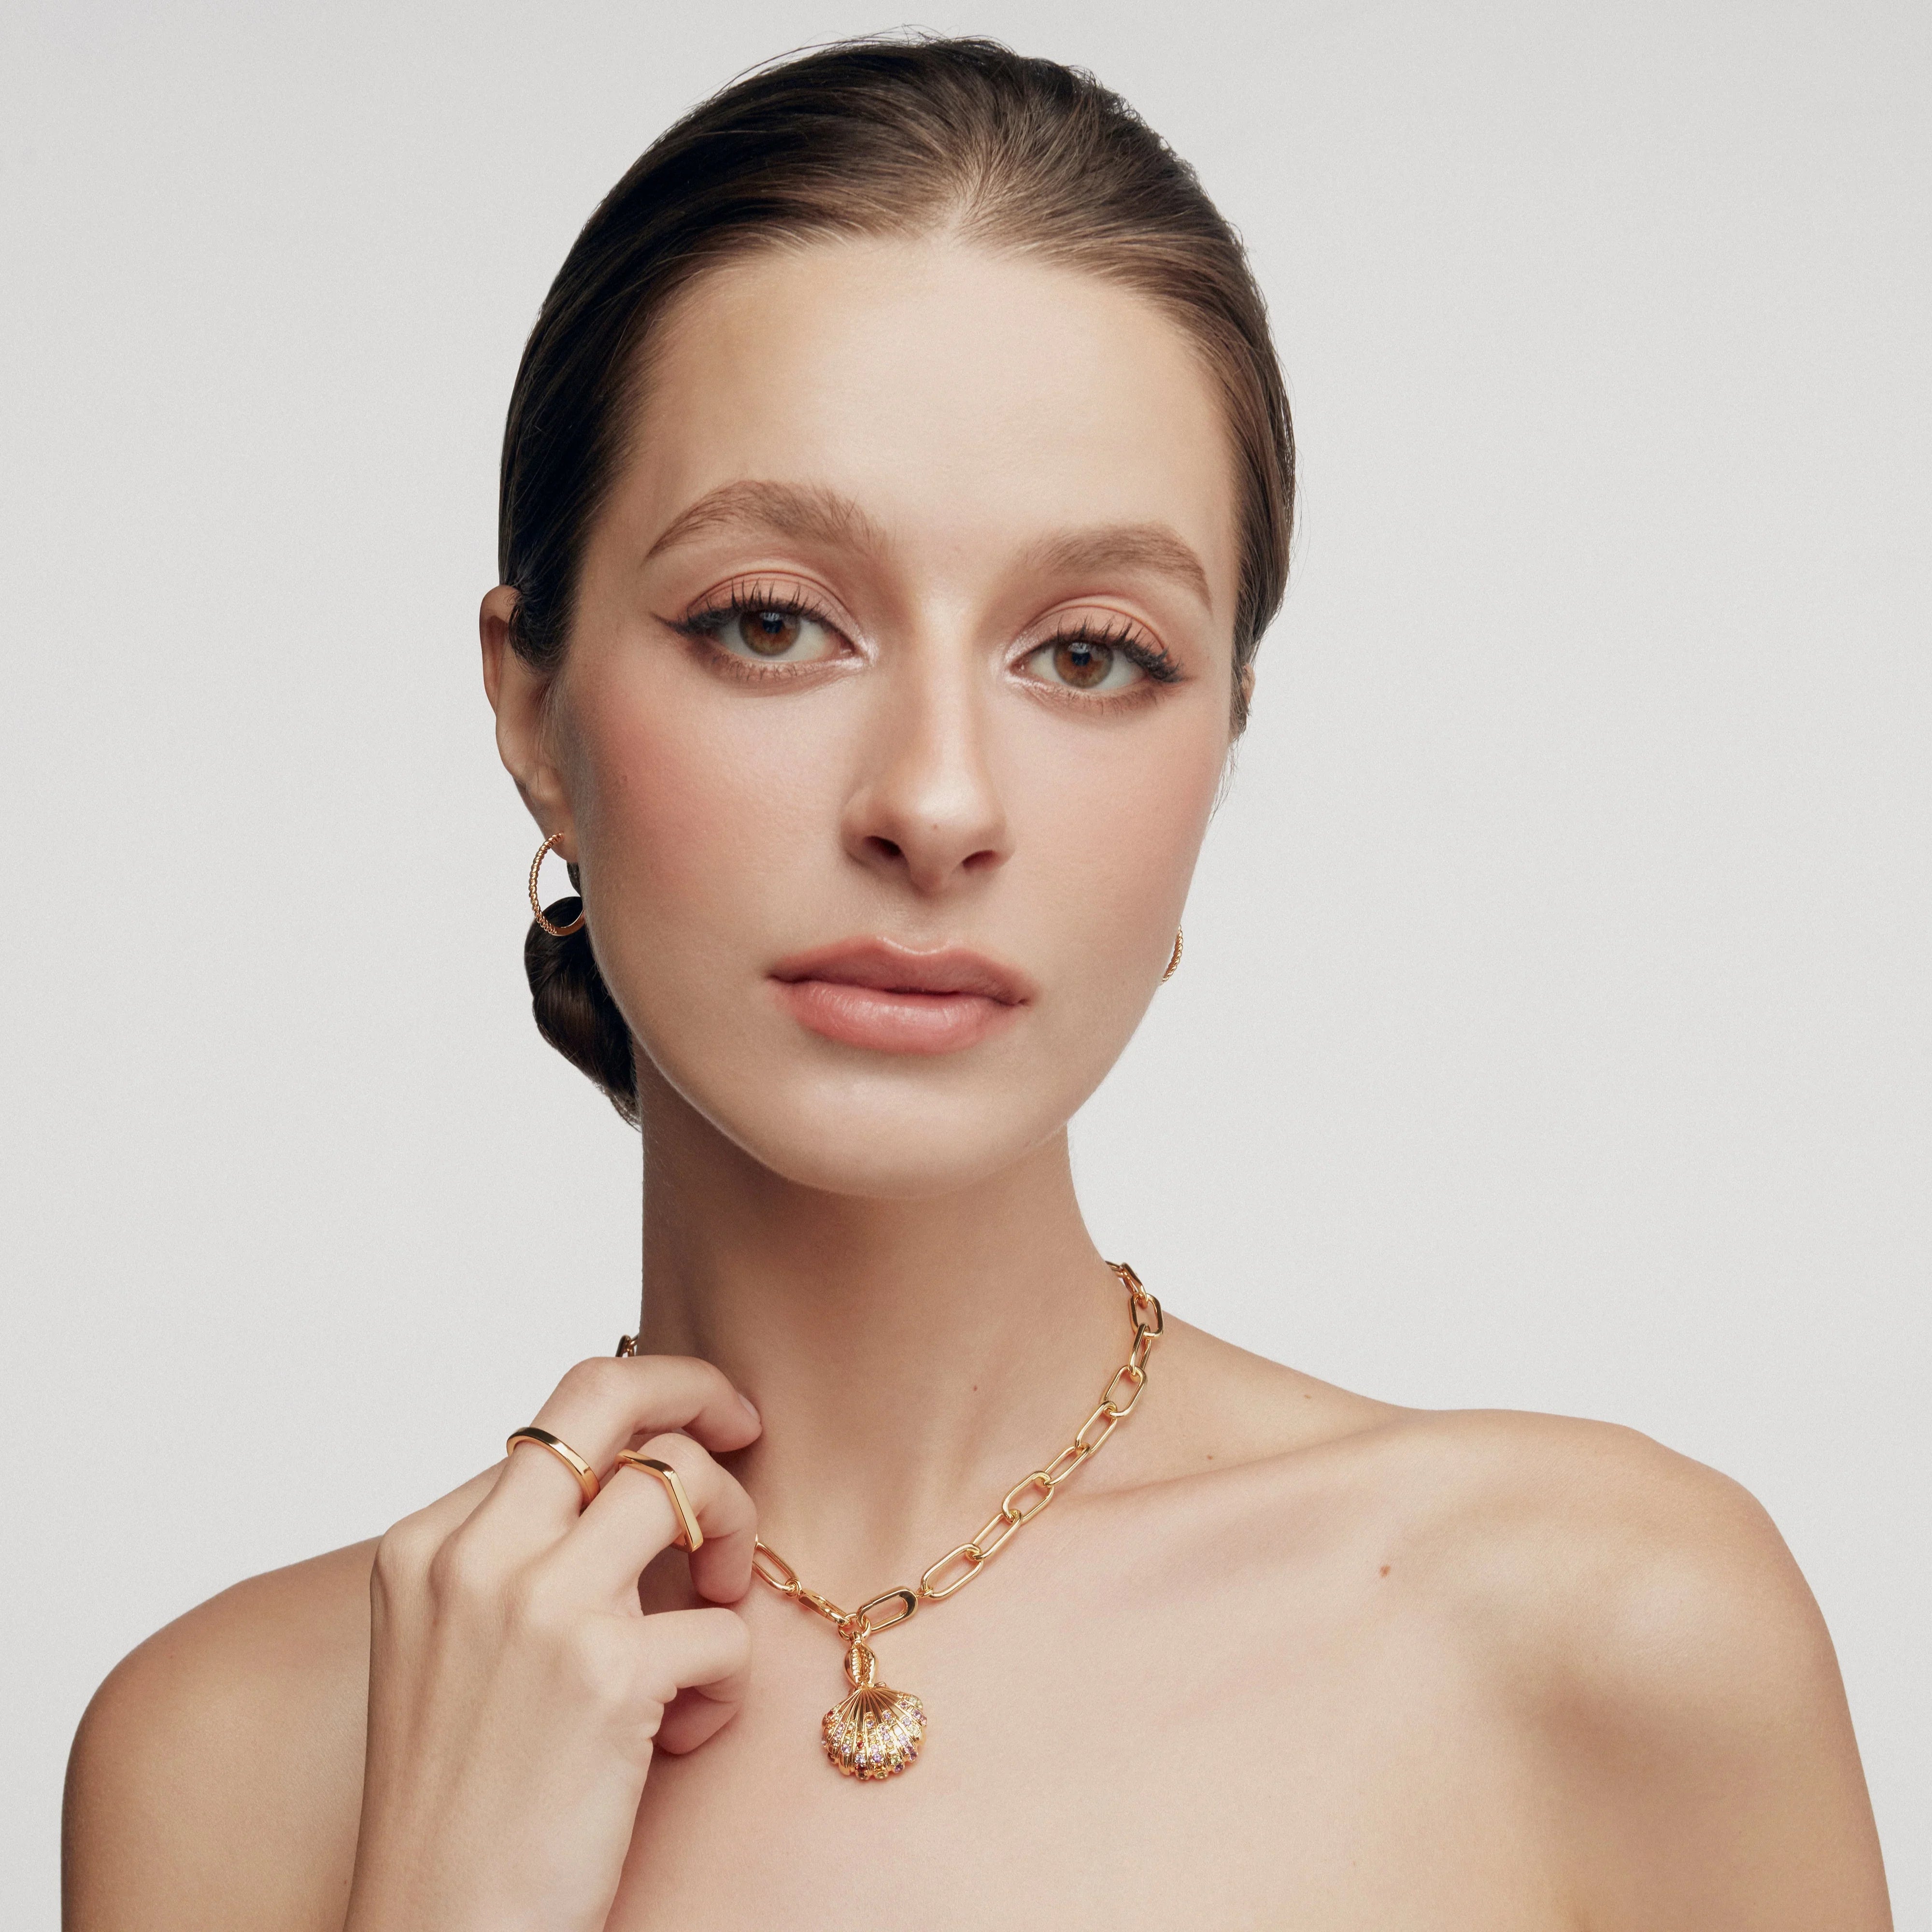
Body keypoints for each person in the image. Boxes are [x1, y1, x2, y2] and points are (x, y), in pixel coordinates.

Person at [61, 36, 1890, 1932]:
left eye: (1090, 655)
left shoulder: (1606, 1638)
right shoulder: (235, 1758)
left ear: (1220, 744)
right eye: (773, 623)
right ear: (533, 709)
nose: (935, 804)